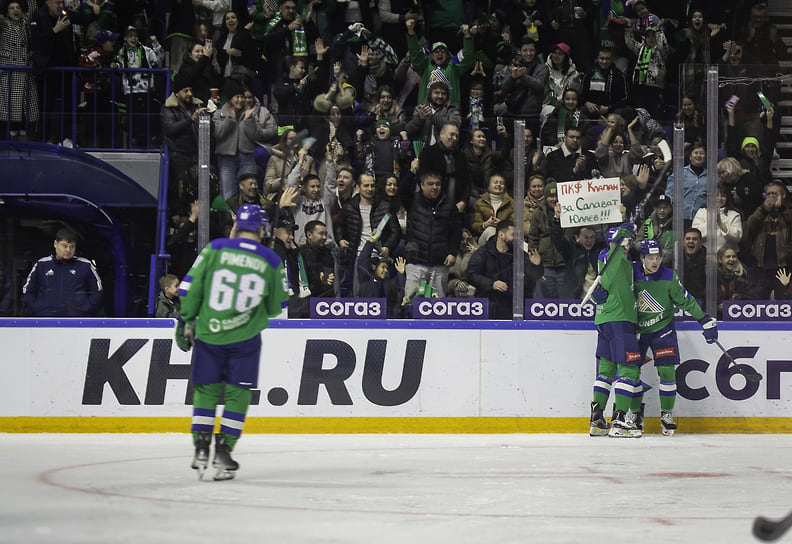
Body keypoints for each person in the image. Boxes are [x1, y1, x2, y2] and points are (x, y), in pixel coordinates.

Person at [176, 204, 288, 481]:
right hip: (246, 339)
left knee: (207, 391)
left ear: (237, 227)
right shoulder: (272, 260)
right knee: (238, 395)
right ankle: (224, 450)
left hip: (209, 334)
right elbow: (277, 307)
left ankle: (201, 446)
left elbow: (189, 288)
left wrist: (186, 320)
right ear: (262, 229)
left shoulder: (215, 248)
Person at [625, 239, 718, 437]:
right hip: (636, 331)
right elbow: (613, 282)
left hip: (662, 330)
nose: (655, 261)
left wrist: (703, 319)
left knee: (667, 372)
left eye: (658, 257)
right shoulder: (630, 272)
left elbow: (685, 300)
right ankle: (635, 415)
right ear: (642, 258)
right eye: (650, 257)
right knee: (631, 373)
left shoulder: (669, 276)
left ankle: (666, 415)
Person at [588, 223, 640, 437]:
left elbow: (605, 284)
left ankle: (597, 419)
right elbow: (614, 256)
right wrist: (621, 238)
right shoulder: (615, 257)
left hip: (604, 320)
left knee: (606, 372)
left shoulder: (608, 261)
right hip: (620, 321)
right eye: (626, 241)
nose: (628, 245)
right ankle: (619, 420)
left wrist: (594, 295)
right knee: (629, 370)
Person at [403, 171, 462, 298]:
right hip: (416, 262)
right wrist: (411, 172)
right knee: (411, 305)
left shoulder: (449, 205)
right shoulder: (412, 201)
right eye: (430, 184)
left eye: (437, 184)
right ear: (422, 185)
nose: (434, 187)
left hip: (440, 264)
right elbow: (402, 190)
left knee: (439, 308)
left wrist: (452, 252)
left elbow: (456, 231)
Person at [466, 219, 541, 320]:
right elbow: (471, 274)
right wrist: (492, 284)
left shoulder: (520, 255)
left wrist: (535, 266)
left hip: (512, 307)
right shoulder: (483, 252)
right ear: (501, 235)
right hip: (488, 305)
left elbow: (536, 279)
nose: (517, 238)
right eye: (513, 234)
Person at [22, 228, 103, 317]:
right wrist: (39, 310)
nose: (68, 250)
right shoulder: (42, 264)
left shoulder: (85, 265)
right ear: (55, 244)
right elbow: (28, 290)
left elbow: (98, 291)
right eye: (65, 246)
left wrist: (85, 310)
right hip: (46, 322)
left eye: (72, 247)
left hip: (77, 322)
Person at [745, 180, 792, 299]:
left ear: (783, 195)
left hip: (783, 266)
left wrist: (782, 209)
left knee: (783, 300)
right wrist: (764, 210)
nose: (770, 197)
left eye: (774, 194)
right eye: (768, 194)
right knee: (759, 299)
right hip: (762, 266)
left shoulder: (789, 211)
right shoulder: (761, 211)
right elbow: (750, 225)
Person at [526, 181, 565, 298]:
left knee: (563, 300)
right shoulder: (538, 213)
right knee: (542, 300)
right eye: (551, 196)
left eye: (556, 196)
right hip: (545, 264)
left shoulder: (569, 211)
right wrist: (533, 255)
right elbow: (533, 237)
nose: (554, 199)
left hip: (564, 263)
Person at [552, 224, 606, 300]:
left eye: (592, 237)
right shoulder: (570, 250)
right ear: (577, 238)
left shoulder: (602, 251)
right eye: (586, 237)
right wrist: (557, 219)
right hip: (574, 298)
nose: (589, 240)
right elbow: (557, 238)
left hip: (597, 297)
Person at [692, 182, 744, 255]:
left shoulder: (734, 215)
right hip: (705, 255)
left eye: (723, 196)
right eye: (716, 195)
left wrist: (720, 223)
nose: (719, 198)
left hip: (728, 256)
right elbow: (695, 235)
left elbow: (737, 238)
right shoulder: (702, 212)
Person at [665, 142, 708, 223]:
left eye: (701, 153)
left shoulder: (711, 177)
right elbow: (669, 194)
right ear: (690, 156)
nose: (698, 156)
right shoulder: (679, 173)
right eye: (696, 153)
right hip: (679, 218)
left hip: (701, 220)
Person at [470, 173, 515, 244]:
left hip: (507, 237)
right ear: (488, 186)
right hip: (484, 238)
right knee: (491, 230)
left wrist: (501, 224)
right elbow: (474, 225)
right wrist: (485, 225)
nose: (498, 185)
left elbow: (515, 224)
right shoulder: (479, 203)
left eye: (502, 183)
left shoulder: (512, 203)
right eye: (495, 182)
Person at [299, 220, 336, 300]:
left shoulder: (327, 253)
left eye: (325, 234)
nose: (324, 237)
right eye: (321, 234)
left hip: (325, 298)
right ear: (309, 235)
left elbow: (328, 275)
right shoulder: (299, 254)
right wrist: (317, 278)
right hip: (305, 300)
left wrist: (329, 278)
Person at [635, 194, 673, 267]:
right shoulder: (647, 223)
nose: (662, 210)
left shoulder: (675, 225)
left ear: (670, 209)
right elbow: (637, 242)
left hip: (669, 264)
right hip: (649, 263)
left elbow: (679, 247)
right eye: (659, 207)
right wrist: (647, 247)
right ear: (655, 208)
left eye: (665, 207)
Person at [717, 244, 753, 318]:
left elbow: (753, 298)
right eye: (728, 257)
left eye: (734, 256)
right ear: (720, 260)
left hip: (738, 317)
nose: (732, 259)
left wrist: (739, 298)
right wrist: (716, 307)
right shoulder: (714, 278)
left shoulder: (742, 277)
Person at [682, 227, 707, 302]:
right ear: (683, 242)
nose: (691, 241)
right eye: (688, 239)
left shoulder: (707, 260)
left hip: (700, 303)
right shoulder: (674, 258)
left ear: (700, 244)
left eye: (694, 239)